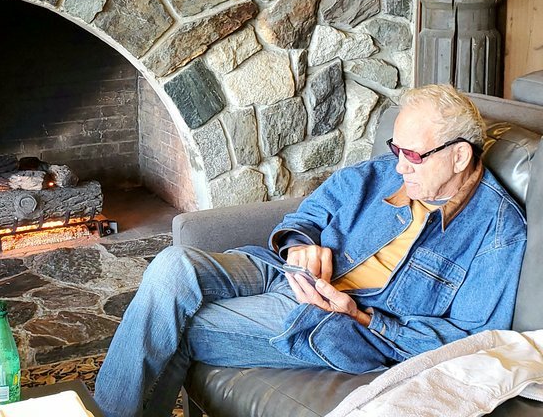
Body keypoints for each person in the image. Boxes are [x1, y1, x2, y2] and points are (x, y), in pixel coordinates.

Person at [94, 84, 528, 417]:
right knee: (172, 265)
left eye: (412, 155)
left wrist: (358, 314)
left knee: (176, 325)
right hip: (284, 274)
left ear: (458, 157)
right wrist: (300, 245)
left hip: (334, 323)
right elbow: (306, 215)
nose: (397, 166)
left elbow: (470, 339)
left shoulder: (497, 230)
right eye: (396, 149)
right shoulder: (380, 174)